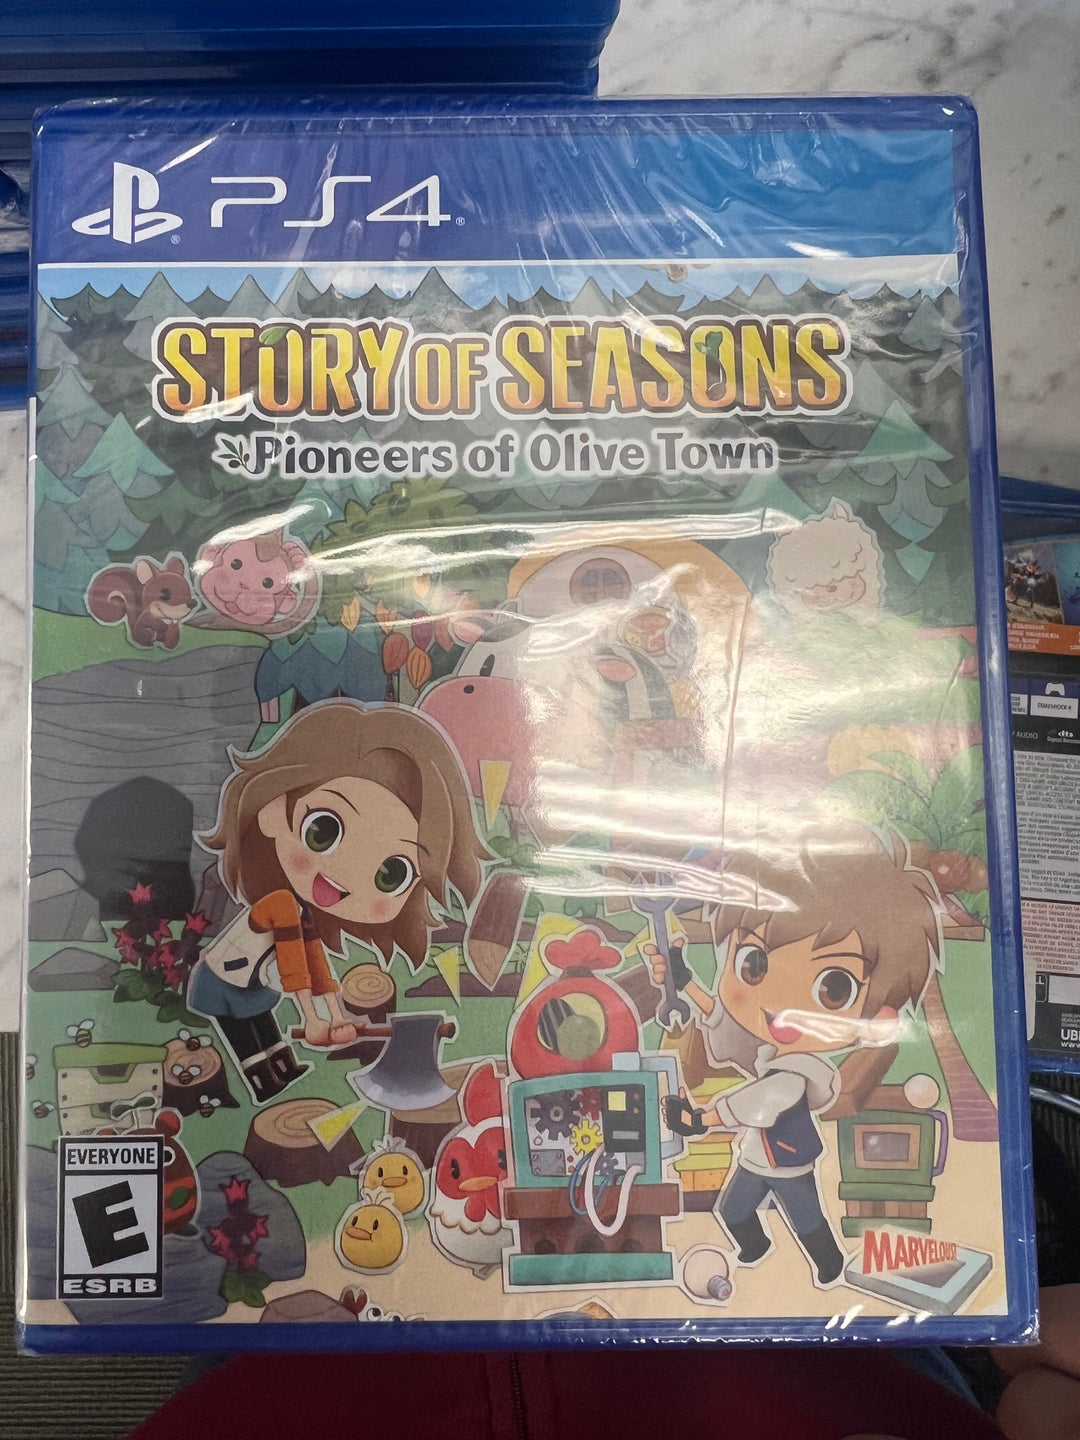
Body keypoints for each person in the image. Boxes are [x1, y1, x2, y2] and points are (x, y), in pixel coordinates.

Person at [651, 827, 941, 1287]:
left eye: (833, 988)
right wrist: (686, 983)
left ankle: (829, 1264)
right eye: (753, 964)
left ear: (880, 1019)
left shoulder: (796, 1071)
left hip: (788, 1161)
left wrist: (701, 1119)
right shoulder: (772, 1051)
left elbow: (761, 1101)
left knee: (807, 1220)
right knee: (733, 1210)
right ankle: (755, 1247)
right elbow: (728, 1027)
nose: (778, 1002)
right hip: (756, 1158)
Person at [188, 701, 487, 1101]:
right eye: (322, 831)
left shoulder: (302, 910)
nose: (344, 877)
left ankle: (283, 1069)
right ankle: (264, 1081)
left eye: (391, 873)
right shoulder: (280, 904)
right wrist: (313, 1019)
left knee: (263, 1025)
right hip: (222, 980)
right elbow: (293, 965)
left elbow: (315, 960)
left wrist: (336, 1015)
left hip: (251, 980)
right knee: (247, 1033)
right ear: (275, 810)